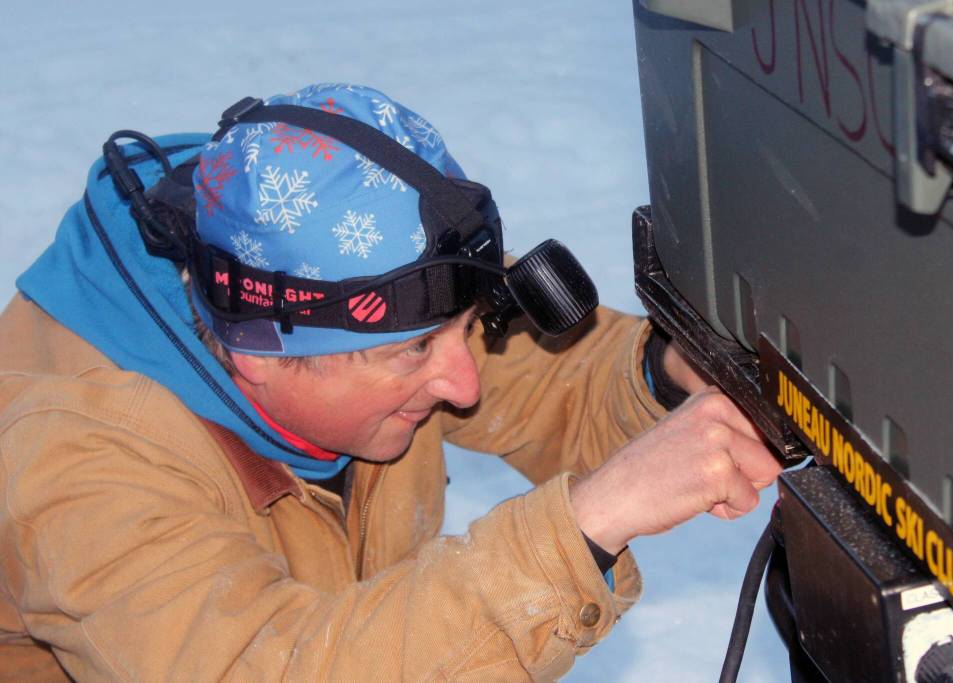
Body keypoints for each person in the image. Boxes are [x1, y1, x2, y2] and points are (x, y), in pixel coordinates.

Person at [0, 83, 780, 681]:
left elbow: (560, 385)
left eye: (468, 326)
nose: (465, 382)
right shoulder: (80, 462)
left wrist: (668, 373)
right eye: (415, 352)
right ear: (261, 350)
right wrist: (587, 523)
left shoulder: (366, 287)